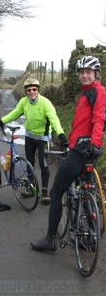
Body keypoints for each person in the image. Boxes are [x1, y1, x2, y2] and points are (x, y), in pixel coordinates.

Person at [30, 55, 105, 251]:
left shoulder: (98, 92)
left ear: (96, 74)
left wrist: (95, 142)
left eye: (88, 72)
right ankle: (88, 237)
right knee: (84, 189)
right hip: (82, 148)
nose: (84, 76)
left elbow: (99, 119)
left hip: (83, 149)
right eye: (81, 73)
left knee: (56, 192)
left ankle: (49, 240)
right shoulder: (86, 94)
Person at [0, 77, 68, 204]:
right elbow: (15, 113)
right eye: (29, 90)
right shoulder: (24, 101)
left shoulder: (45, 103)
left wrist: (61, 135)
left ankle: (44, 193)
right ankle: (31, 188)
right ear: (26, 91)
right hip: (30, 137)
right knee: (29, 163)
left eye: (34, 89)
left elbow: (54, 120)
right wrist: (0, 121)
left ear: (38, 90)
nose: (31, 92)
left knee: (44, 165)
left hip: (43, 138)